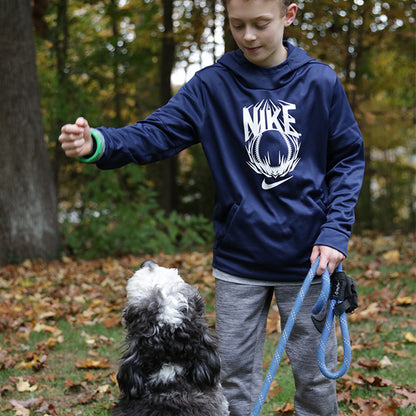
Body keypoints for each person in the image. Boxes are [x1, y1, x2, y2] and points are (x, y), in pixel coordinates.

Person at [59, 0, 365, 414]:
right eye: (237, 25)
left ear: (289, 15)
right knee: (232, 380)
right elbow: (156, 133)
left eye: (260, 24)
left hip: (312, 261)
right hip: (239, 262)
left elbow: (348, 159)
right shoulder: (211, 86)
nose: (248, 36)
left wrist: (335, 232)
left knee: (315, 378)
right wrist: (99, 143)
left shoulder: (321, 82)